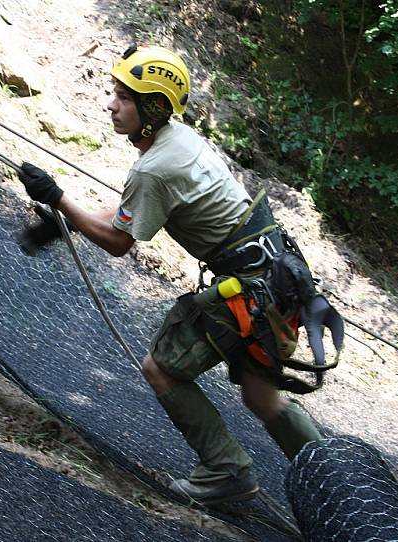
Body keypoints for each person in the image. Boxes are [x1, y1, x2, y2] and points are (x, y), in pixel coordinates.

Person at [17, 44, 325, 505]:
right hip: (278, 281)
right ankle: (336, 484)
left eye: (123, 97)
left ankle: (227, 474)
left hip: (247, 291)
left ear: (154, 106)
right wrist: (66, 224)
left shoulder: (155, 168)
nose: (111, 104)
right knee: (263, 399)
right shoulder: (179, 140)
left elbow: (120, 243)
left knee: (160, 369)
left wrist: (61, 201)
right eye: (115, 93)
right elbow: (129, 215)